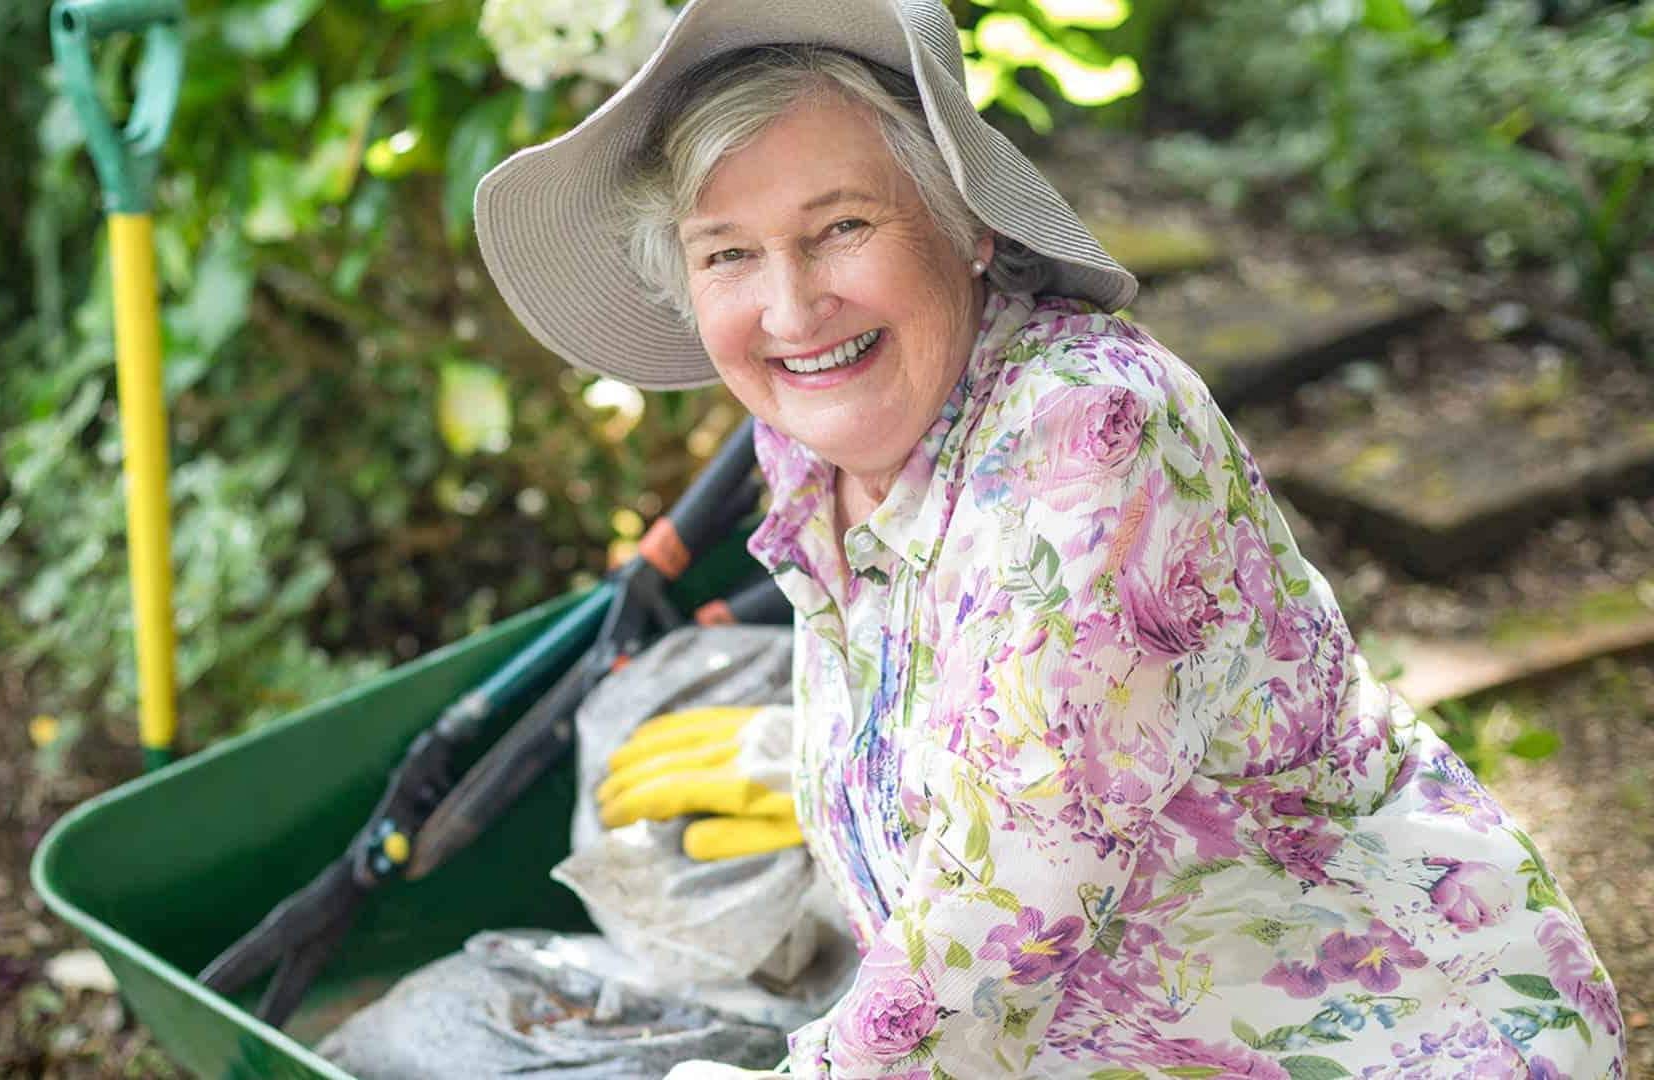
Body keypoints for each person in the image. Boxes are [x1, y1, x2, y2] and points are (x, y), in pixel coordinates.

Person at [473, 0, 1629, 1075]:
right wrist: (823, 766)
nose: (789, 309)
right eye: (728, 251)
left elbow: (1006, 910)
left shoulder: (1094, 430)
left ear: (968, 227)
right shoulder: (818, 440)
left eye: (841, 227)